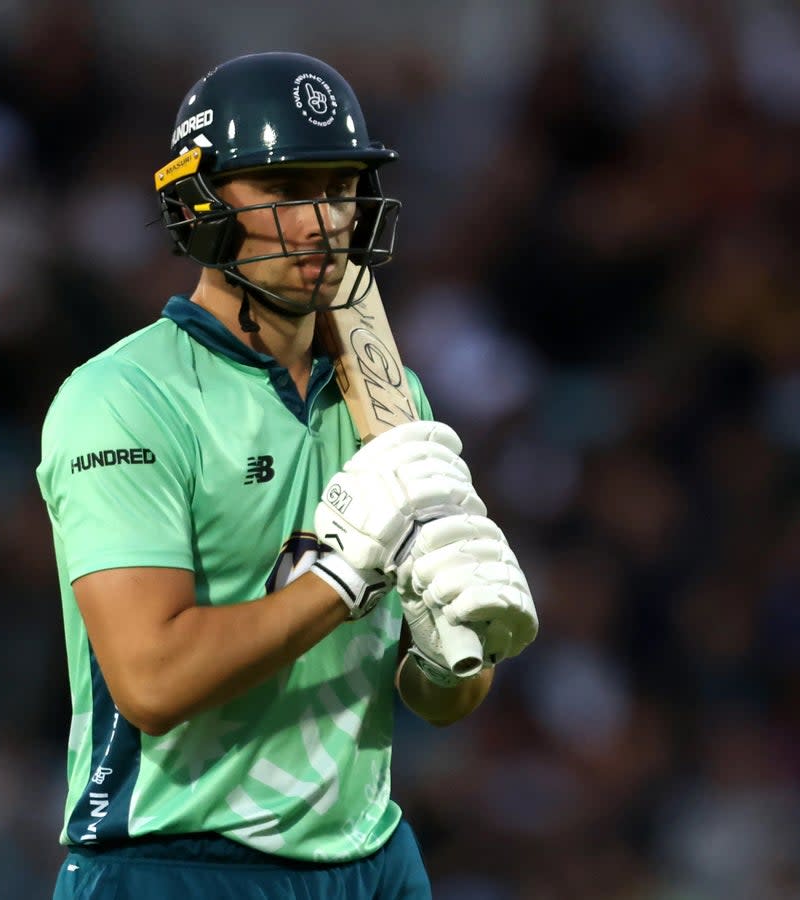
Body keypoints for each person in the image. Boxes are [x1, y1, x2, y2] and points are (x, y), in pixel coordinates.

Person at [35, 51, 538, 899]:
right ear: (199, 206)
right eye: (285, 189)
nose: (322, 223)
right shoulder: (121, 399)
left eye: (339, 188)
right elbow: (152, 681)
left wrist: (453, 649)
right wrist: (343, 575)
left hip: (372, 855)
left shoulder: (391, 393)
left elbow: (436, 701)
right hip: (179, 861)